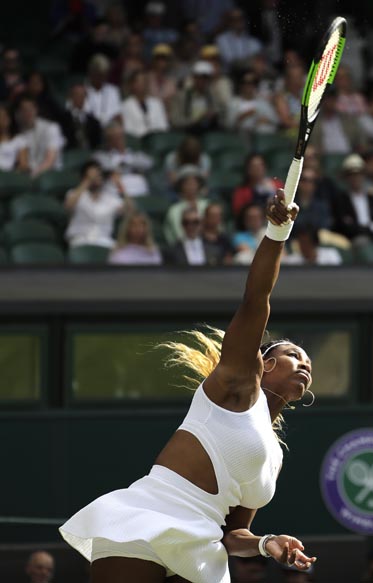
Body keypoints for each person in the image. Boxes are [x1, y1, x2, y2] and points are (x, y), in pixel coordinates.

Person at [60, 179, 317, 581]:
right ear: (264, 364)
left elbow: (233, 535)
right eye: (293, 355)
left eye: (308, 361)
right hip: (148, 518)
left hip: (201, 549)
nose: (305, 363)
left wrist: (267, 543)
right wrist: (276, 234)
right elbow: (256, 299)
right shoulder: (235, 384)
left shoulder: (275, 456)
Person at [64, 161, 133, 248]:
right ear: (84, 178)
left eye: (98, 174)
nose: (96, 177)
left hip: (104, 241)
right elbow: (68, 206)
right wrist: (87, 181)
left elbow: (130, 211)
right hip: (80, 240)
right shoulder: (74, 194)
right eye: (92, 175)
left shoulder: (111, 198)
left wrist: (120, 185)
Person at [330, 154, 373, 242]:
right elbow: (345, 227)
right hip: (355, 241)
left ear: (364, 175)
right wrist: (371, 228)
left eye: (359, 174)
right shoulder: (340, 201)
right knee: (362, 241)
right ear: (346, 177)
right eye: (352, 174)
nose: (356, 178)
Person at [94, 123, 153, 197]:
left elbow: (149, 163)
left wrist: (128, 161)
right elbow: (107, 168)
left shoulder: (133, 154)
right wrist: (119, 163)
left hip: (138, 186)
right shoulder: (101, 155)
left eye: (121, 136)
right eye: (115, 137)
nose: (120, 140)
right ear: (108, 140)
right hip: (115, 188)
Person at [16, 96, 65, 178]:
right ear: (19, 113)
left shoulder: (51, 127)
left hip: (51, 174)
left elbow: (50, 161)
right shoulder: (20, 133)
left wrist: (32, 176)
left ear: (36, 109)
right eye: (24, 110)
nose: (28, 112)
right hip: (30, 175)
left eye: (30, 108)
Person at [169, 61, 223, 133]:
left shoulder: (214, 97)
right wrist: (197, 120)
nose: (201, 80)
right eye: (198, 77)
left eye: (204, 78)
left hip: (210, 132)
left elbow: (223, 118)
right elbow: (175, 121)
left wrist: (215, 116)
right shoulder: (181, 96)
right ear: (193, 78)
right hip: (187, 132)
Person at [164, 166, 209, 245]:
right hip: (183, 248)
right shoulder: (174, 210)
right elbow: (178, 234)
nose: (191, 187)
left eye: (194, 183)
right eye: (187, 184)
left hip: (208, 246)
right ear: (181, 186)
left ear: (199, 185)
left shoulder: (207, 205)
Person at [122, 70, 169, 138]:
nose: (144, 84)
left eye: (145, 81)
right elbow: (128, 130)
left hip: (157, 141)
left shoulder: (157, 103)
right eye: (140, 81)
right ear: (132, 84)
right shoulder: (125, 105)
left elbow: (164, 126)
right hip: (137, 143)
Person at [84, 54, 122, 128]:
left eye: (103, 75)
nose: (100, 79)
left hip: (109, 130)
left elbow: (118, 115)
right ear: (91, 73)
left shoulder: (113, 90)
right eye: (98, 75)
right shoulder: (81, 90)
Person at [62, 83, 103, 150]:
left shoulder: (93, 121)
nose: (80, 98)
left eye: (82, 95)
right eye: (77, 94)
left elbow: (97, 143)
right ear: (70, 96)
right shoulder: (62, 119)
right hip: (70, 155)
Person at [0, 104, 26, 171]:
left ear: (10, 119)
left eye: (4, 117)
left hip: (8, 175)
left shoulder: (19, 139)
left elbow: (23, 165)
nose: (2, 120)